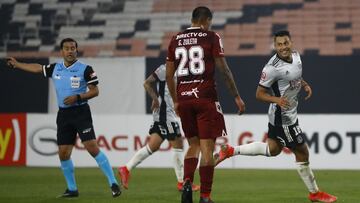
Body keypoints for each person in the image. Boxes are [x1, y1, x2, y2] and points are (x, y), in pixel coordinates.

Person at [214, 30, 337, 203]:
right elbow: (259, 94)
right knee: (302, 151)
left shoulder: (296, 56)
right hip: (283, 116)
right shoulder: (271, 68)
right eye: (279, 44)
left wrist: (305, 84)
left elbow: (295, 76)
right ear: (275, 46)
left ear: (291, 43)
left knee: (273, 149)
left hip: (288, 113)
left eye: (285, 43)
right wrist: (277, 100)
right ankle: (314, 193)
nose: (283, 47)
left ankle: (231, 150)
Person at [6, 38, 121, 198]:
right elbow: (38, 68)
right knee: (63, 153)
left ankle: (113, 183)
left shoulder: (85, 69)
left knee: (92, 147)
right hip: (64, 115)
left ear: (76, 50)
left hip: (81, 112)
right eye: (66, 48)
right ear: (61, 51)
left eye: (73, 48)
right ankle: (72, 189)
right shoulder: (55, 68)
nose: (70, 51)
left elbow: (95, 91)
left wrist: (78, 97)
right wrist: (18, 64)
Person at [166, 6, 246, 203]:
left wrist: (176, 100)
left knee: (192, 145)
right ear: (206, 20)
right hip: (205, 99)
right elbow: (224, 70)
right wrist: (236, 96)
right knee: (207, 149)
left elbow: (169, 75)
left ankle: (186, 181)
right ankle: (205, 196)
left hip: (184, 99)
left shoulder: (175, 39)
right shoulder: (211, 37)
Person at [117, 64, 200, 192]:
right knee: (178, 145)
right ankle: (182, 182)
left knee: (153, 146)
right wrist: (155, 98)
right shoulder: (164, 69)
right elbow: (146, 83)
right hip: (164, 113)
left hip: (168, 113)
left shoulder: (184, 70)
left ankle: (126, 168)